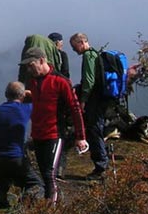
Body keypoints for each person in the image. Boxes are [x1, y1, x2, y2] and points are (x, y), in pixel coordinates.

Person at [21, 47, 88, 200]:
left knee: (49, 173)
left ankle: (51, 207)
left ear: (42, 61)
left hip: (55, 133)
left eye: (31, 65)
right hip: (37, 134)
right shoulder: (32, 81)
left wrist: (80, 136)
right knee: (44, 173)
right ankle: (49, 203)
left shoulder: (60, 81)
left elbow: (75, 108)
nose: (29, 68)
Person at [0, 81, 43, 209]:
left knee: (3, 174)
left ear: (6, 94)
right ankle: (23, 206)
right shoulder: (25, 109)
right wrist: (29, 94)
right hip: (15, 159)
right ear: (22, 96)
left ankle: (0, 200)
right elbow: (39, 100)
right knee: (36, 184)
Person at [69, 32, 109, 180]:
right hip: (101, 98)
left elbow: (89, 80)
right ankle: (102, 164)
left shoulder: (88, 56)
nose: (74, 50)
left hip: (94, 99)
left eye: (74, 47)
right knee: (96, 128)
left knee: (94, 129)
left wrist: (83, 99)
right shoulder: (95, 54)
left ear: (81, 43)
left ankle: (101, 167)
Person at [48, 32, 72, 179]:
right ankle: (59, 167)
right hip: (60, 98)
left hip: (48, 99)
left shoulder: (45, 58)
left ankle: (51, 165)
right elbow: (66, 74)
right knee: (60, 132)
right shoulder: (62, 56)